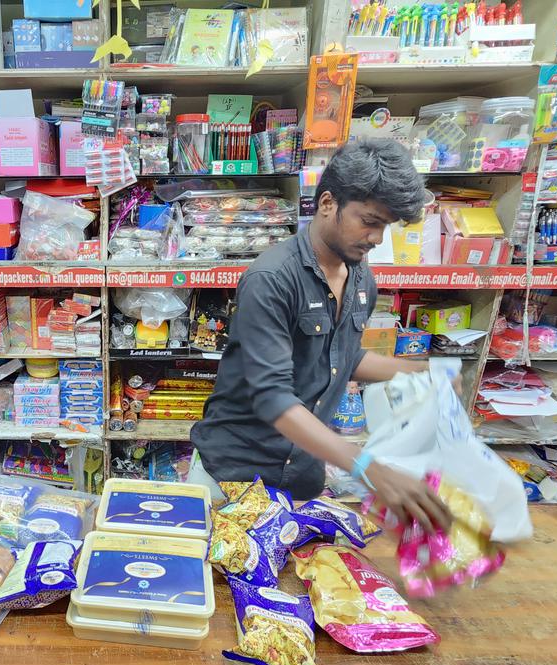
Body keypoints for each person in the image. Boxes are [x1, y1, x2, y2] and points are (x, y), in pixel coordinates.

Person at [189, 139, 451, 531]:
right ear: (328, 203)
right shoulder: (271, 279)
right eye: (369, 221)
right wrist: (368, 468)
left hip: (300, 480)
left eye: (386, 226)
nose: (377, 238)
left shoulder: (360, 274)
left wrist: (420, 372)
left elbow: (345, 357)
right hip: (234, 478)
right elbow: (273, 398)